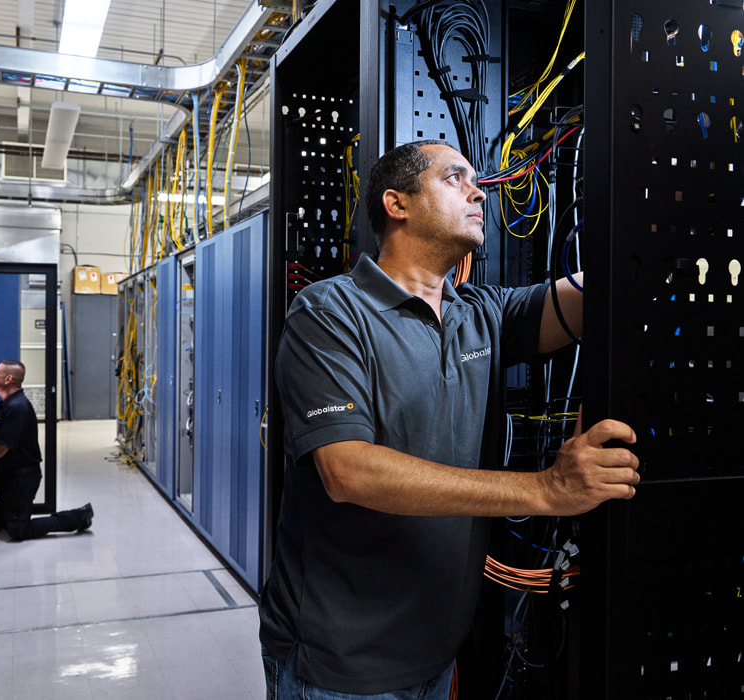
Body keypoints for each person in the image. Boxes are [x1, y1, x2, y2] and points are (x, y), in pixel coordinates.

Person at [258, 140, 640, 699]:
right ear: (398, 203)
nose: (478, 189)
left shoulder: (479, 315)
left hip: (437, 653)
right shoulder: (330, 312)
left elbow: (594, 293)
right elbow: (348, 472)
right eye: (455, 178)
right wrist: (546, 490)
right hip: (340, 660)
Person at [0, 360, 94, 540]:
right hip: (3, 471)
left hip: (21, 477)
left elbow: (1, 449)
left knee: (19, 531)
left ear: (8, 379)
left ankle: (78, 517)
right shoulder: (7, 405)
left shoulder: (18, 407)